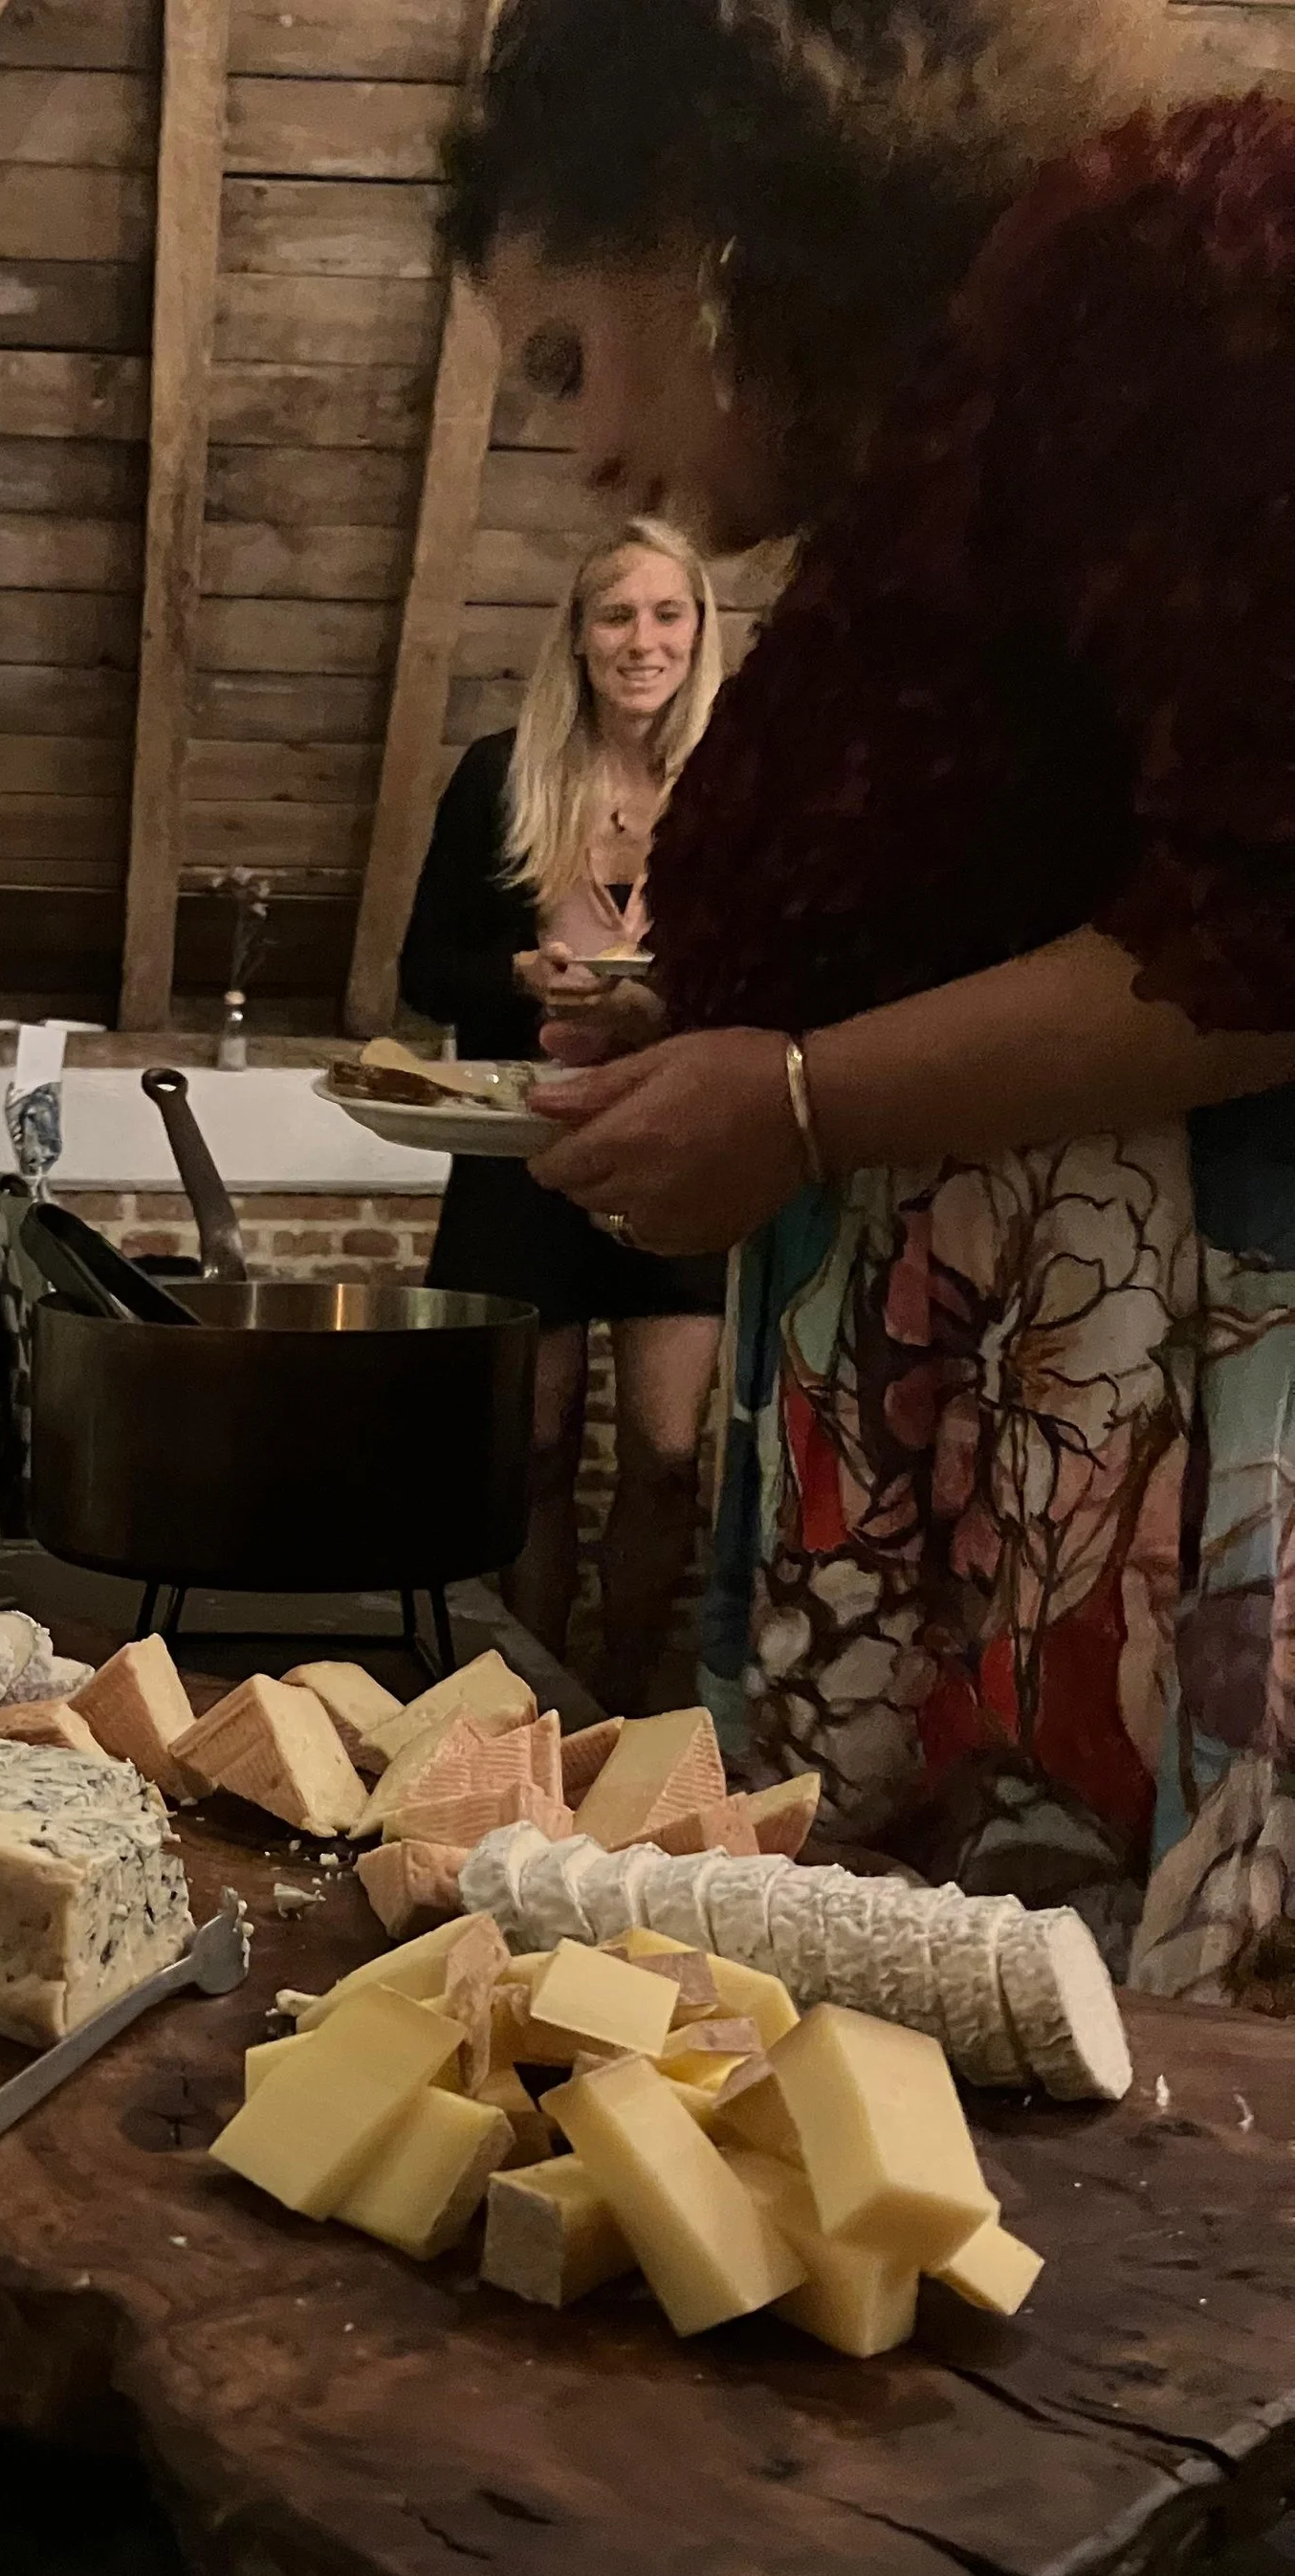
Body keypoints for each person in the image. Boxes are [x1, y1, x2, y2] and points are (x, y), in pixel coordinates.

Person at [442, 0, 1295, 1993]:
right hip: (957, 1505)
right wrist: (716, 1044)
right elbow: (1014, 888)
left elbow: (1265, 915)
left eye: (568, 357)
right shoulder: (941, 407)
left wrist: (803, 1099)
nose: (578, 454)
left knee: (1123, 2193)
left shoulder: (1165, 261)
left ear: (712, 218)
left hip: (1130, 1492)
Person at [400, 518, 727, 1711]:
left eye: (666, 614)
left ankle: (628, 1708)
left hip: (679, 1150)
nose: (642, 642)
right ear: (577, 639)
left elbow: (781, 973)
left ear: (699, 630)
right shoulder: (500, 772)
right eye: (616, 616)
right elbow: (425, 970)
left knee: (667, 1460)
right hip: (519, 1155)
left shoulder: (738, 787)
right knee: (529, 1455)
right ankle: (531, 1707)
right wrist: (517, 980)